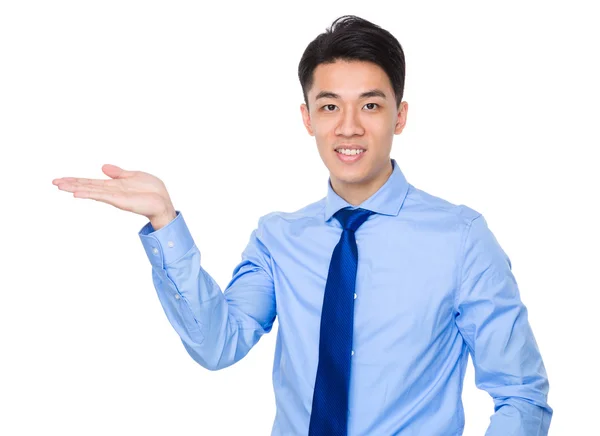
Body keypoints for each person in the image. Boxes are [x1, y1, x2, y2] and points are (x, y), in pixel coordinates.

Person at [52, 14, 552, 436]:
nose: (349, 126)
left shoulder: (461, 239)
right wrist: (165, 221)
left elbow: (521, 394)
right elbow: (217, 343)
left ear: (399, 117)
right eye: (330, 106)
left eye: (371, 105)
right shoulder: (278, 238)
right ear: (308, 117)